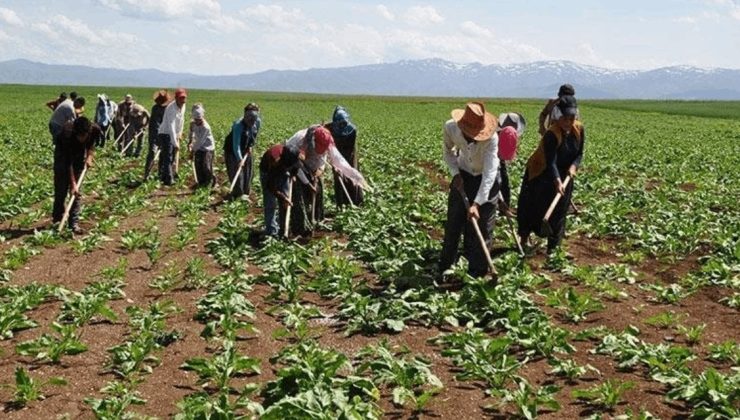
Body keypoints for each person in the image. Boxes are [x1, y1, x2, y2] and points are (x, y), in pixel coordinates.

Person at [439, 101, 500, 278]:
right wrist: (456, 173)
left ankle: (477, 273)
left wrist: (477, 203)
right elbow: (447, 152)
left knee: (483, 226)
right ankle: (445, 266)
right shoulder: (450, 128)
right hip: (464, 174)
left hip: (486, 180)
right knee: (454, 222)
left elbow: (490, 173)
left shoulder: (492, 139)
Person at [518, 95, 584, 254]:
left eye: (571, 118)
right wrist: (556, 180)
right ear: (558, 116)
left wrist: (574, 166)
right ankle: (524, 239)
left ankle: (553, 249)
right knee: (533, 207)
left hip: (566, 173)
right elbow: (550, 161)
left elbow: (579, 153)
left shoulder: (579, 129)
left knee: (561, 210)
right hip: (542, 173)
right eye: (565, 118)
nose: (568, 122)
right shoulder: (551, 134)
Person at [284, 125, 369, 236]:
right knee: (300, 195)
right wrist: (308, 184)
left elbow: (324, 157)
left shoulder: (327, 140)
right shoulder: (299, 140)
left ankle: (317, 219)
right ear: (313, 141)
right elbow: (295, 166)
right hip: (296, 166)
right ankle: (300, 227)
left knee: (318, 191)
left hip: (314, 166)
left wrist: (320, 169)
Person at [52, 117, 98, 234]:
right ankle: (58, 219)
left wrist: (89, 157)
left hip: (78, 159)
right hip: (62, 159)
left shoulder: (94, 130)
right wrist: (73, 184)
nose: (82, 138)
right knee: (61, 191)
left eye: (84, 136)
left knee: (76, 194)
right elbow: (68, 162)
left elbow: (91, 145)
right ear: (75, 132)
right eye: (79, 136)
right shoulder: (66, 135)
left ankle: (73, 223)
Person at [259, 144, 302, 237]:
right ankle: (271, 232)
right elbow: (271, 187)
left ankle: (284, 228)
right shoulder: (274, 162)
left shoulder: (293, 156)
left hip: (283, 171)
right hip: (267, 173)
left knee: (286, 201)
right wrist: (283, 197)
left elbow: (296, 167)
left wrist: (293, 175)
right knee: (270, 203)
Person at [326, 106, 363, 207]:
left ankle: (355, 202)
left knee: (352, 176)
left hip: (349, 155)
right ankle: (342, 204)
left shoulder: (352, 130)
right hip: (336, 155)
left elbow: (349, 148)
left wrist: (344, 164)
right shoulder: (330, 127)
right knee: (339, 179)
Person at [224, 103, 261, 199]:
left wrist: (251, 145)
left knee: (248, 171)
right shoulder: (238, 125)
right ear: (245, 116)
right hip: (232, 150)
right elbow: (236, 145)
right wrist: (240, 159)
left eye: (253, 118)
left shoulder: (257, 122)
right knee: (237, 172)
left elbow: (255, 134)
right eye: (248, 118)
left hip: (246, 148)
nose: (251, 121)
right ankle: (237, 195)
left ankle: (246, 193)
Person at [496, 112, 526, 215]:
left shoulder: (508, 134)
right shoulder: (494, 134)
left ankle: (504, 207)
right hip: (488, 158)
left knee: (504, 181)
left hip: (498, 158)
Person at [157, 88, 187, 185]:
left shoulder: (183, 106)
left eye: (184, 98)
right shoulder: (171, 108)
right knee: (168, 156)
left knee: (167, 155)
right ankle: (168, 179)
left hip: (174, 133)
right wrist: (175, 143)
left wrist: (180, 133)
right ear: (176, 98)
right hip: (165, 133)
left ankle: (162, 175)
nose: (182, 100)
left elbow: (182, 120)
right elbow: (171, 126)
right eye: (180, 98)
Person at [143, 89, 170, 180]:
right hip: (155, 135)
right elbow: (155, 125)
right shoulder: (155, 109)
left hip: (164, 134)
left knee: (163, 154)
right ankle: (147, 174)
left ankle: (161, 173)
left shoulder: (167, 109)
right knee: (152, 153)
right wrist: (158, 137)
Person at [187, 103, 215, 188]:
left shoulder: (205, 127)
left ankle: (211, 181)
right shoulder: (193, 123)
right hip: (198, 147)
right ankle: (201, 183)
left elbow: (200, 141)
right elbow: (191, 132)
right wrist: (190, 142)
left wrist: (192, 152)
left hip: (207, 148)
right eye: (195, 120)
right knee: (198, 165)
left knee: (206, 166)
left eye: (199, 120)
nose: (197, 121)